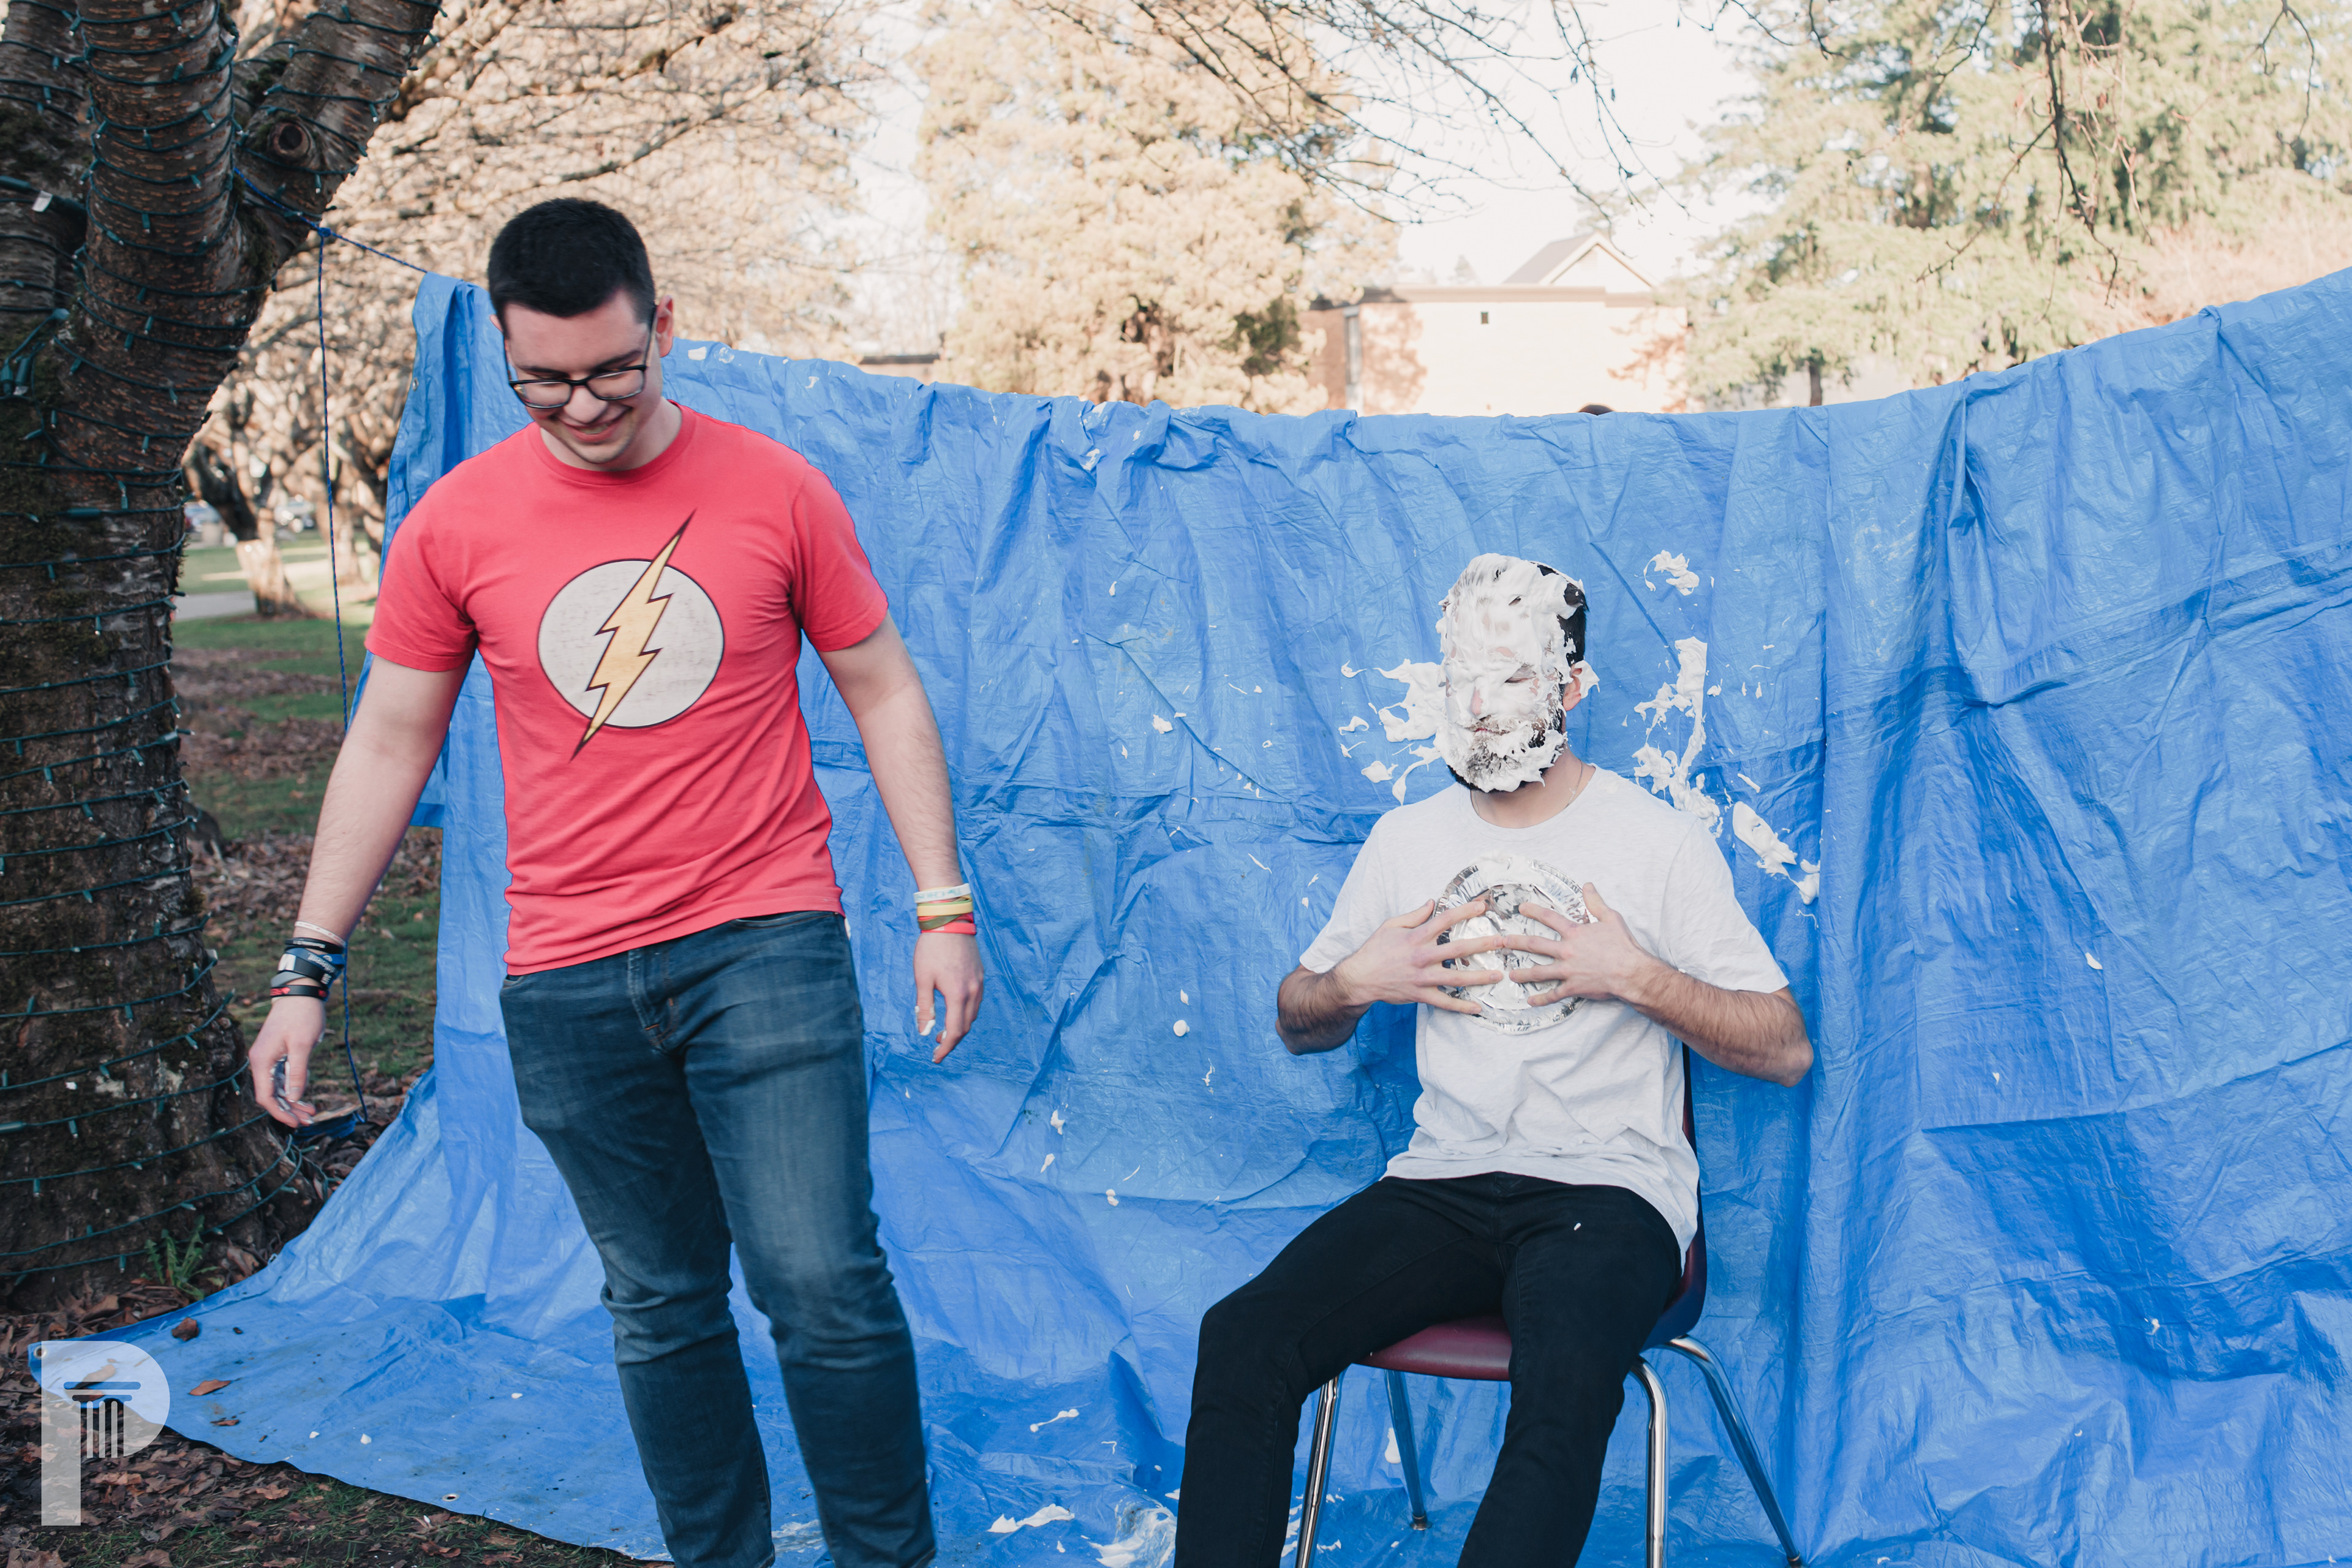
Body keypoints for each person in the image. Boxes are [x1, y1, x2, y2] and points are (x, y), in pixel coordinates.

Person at [247, 198, 980, 1568]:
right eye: (545, 381)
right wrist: (307, 966)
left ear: (664, 328)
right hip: (569, 978)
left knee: (822, 1284)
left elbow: (880, 686)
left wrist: (944, 904)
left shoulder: (776, 488)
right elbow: (391, 739)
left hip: (764, 939)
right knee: (659, 1302)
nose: (584, 407)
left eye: (613, 371)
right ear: (505, 353)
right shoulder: (458, 523)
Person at [1175, 552, 1811, 1566]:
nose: (1479, 703)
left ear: (1572, 686)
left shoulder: (1659, 843)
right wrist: (1353, 983)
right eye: (1462, 676)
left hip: (1610, 1192)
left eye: (1511, 676)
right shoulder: (1404, 841)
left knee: (1563, 1388)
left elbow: (1785, 1049)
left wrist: (1633, 974)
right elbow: (1299, 1020)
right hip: (1443, 1184)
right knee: (1245, 1335)